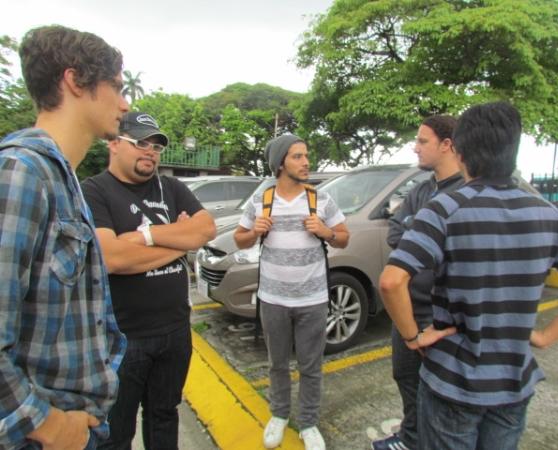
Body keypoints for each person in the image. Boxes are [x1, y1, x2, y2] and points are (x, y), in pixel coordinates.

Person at [379, 101, 558, 450]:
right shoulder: (548, 215)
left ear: (461, 151)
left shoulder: (445, 208)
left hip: (453, 382)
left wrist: (413, 338)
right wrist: (545, 336)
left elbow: (391, 281)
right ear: (513, 150)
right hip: (514, 381)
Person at [0, 25, 128, 450]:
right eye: (116, 87)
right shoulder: (22, 173)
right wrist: (46, 424)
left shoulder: (64, 179)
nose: (124, 103)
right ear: (75, 81)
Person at [81, 112, 216, 449]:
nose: (150, 152)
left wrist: (145, 236)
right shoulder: (94, 190)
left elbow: (205, 230)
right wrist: (178, 243)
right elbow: (112, 257)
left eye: (156, 146)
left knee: (164, 415)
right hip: (122, 338)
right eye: (140, 142)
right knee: (116, 429)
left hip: (175, 331)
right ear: (114, 143)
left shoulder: (171, 187)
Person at [233, 134, 349, 450]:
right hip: (273, 299)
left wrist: (325, 232)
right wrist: (254, 231)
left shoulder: (319, 200)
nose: (306, 162)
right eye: (298, 156)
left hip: (313, 299)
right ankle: (279, 415)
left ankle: (309, 423)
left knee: (311, 365)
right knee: (277, 363)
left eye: (306, 155)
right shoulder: (261, 201)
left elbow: (343, 237)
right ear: (281, 162)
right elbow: (239, 239)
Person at [372, 115, 463, 450]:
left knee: (439, 389)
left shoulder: (467, 190)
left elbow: (453, 249)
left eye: (423, 141)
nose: (415, 147)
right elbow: (397, 231)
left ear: (447, 145)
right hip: (408, 307)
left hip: (445, 316)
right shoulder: (422, 189)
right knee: (406, 377)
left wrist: (420, 234)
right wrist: (425, 238)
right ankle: (411, 437)